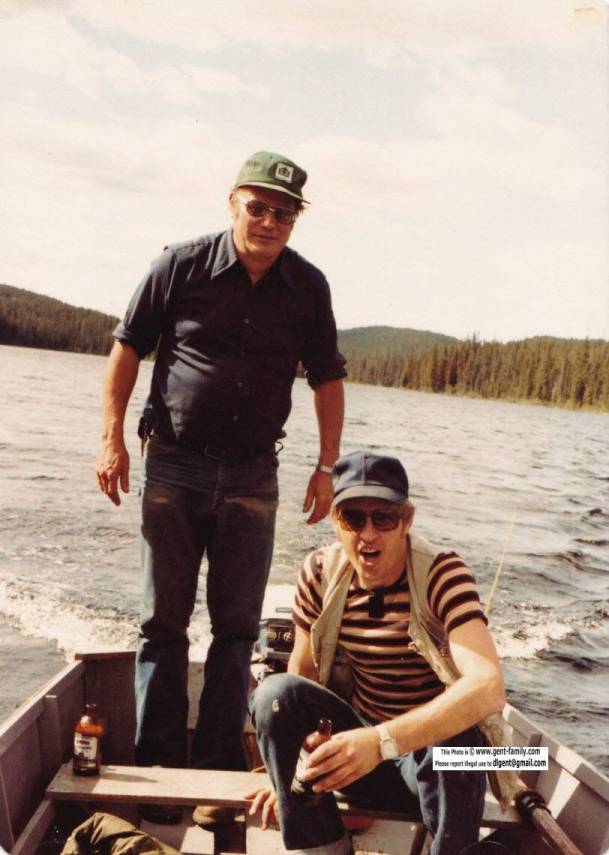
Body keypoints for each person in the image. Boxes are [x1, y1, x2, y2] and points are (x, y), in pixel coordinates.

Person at [95, 150, 346, 823]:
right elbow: (127, 346)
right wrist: (111, 437)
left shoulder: (308, 286)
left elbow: (327, 376)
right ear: (233, 203)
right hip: (173, 466)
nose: (268, 221)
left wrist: (327, 466)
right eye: (257, 207)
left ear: (295, 221)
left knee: (236, 630)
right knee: (161, 623)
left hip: (253, 475)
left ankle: (213, 776)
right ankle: (156, 771)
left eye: (283, 213)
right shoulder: (178, 265)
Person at [247, 451, 506, 855]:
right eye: (353, 518)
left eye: (384, 518)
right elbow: (302, 677)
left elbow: (488, 688)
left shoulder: (443, 573)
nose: (368, 534)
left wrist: (381, 742)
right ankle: (326, 850)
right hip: (359, 760)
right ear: (336, 521)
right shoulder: (319, 573)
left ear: (407, 520)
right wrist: (280, 778)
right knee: (274, 695)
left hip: (435, 766)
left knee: (458, 742)